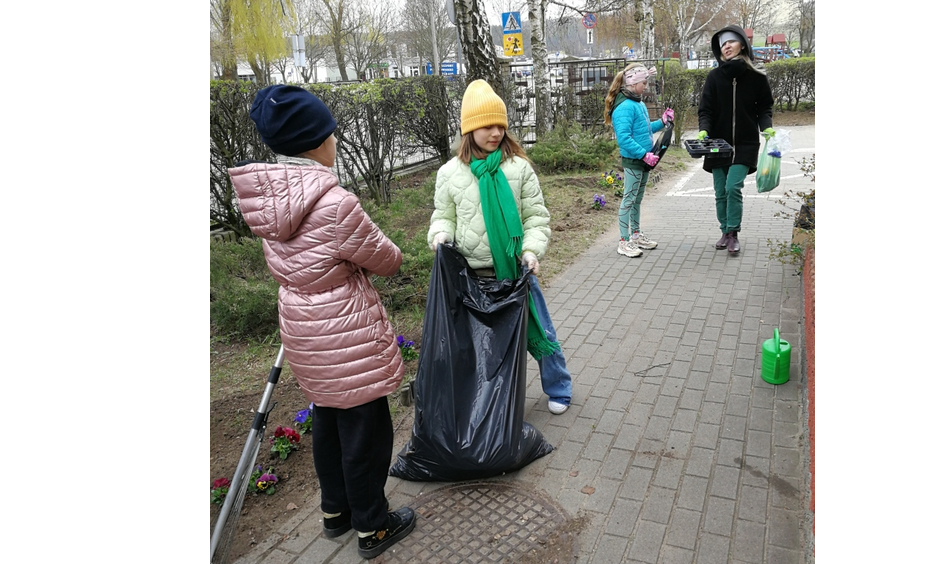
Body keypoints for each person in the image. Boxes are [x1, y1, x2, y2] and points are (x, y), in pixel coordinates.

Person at [228, 85, 416, 559]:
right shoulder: (334, 204)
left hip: (303, 327)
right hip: (345, 332)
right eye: (331, 134)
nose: (335, 141)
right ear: (317, 142)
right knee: (367, 434)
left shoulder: (269, 201)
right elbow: (387, 259)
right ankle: (373, 527)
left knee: (329, 422)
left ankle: (336, 513)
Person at [426, 79, 572, 415]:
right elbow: (443, 216)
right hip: (472, 279)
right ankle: (491, 401)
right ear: (470, 129)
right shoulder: (450, 173)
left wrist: (532, 250)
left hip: (516, 271)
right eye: (487, 126)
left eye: (500, 126)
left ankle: (559, 387)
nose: (495, 132)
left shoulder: (518, 168)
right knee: (484, 345)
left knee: (541, 332)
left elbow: (537, 217)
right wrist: (440, 235)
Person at [697, 25, 776, 255]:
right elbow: (706, 110)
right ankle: (724, 230)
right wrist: (704, 130)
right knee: (720, 191)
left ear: (742, 43)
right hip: (717, 145)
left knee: (733, 187)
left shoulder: (756, 76)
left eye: (731, 41)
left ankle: (733, 233)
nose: (727, 46)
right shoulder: (714, 76)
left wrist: (767, 128)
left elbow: (764, 107)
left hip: (745, 143)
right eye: (723, 44)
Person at [603, 63, 674, 258]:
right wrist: (643, 154)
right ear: (633, 83)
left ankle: (635, 235)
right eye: (644, 82)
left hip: (645, 159)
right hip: (635, 160)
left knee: (637, 199)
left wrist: (662, 122)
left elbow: (643, 129)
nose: (646, 86)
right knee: (628, 200)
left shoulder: (638, 103)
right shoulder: (624, 107)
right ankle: (624, 242)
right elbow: (624, 138)